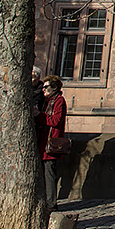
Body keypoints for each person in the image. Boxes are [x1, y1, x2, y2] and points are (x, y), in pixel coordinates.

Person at [38, 76, 67, 212]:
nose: (43, 89)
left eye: (46, 87)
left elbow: (56, 120)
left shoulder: (59, 100)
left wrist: (39, 115)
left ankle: (51, 204)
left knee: (49, 174)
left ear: (54, 87)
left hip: (51, 144)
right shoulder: (46, 101)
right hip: (42, 142)